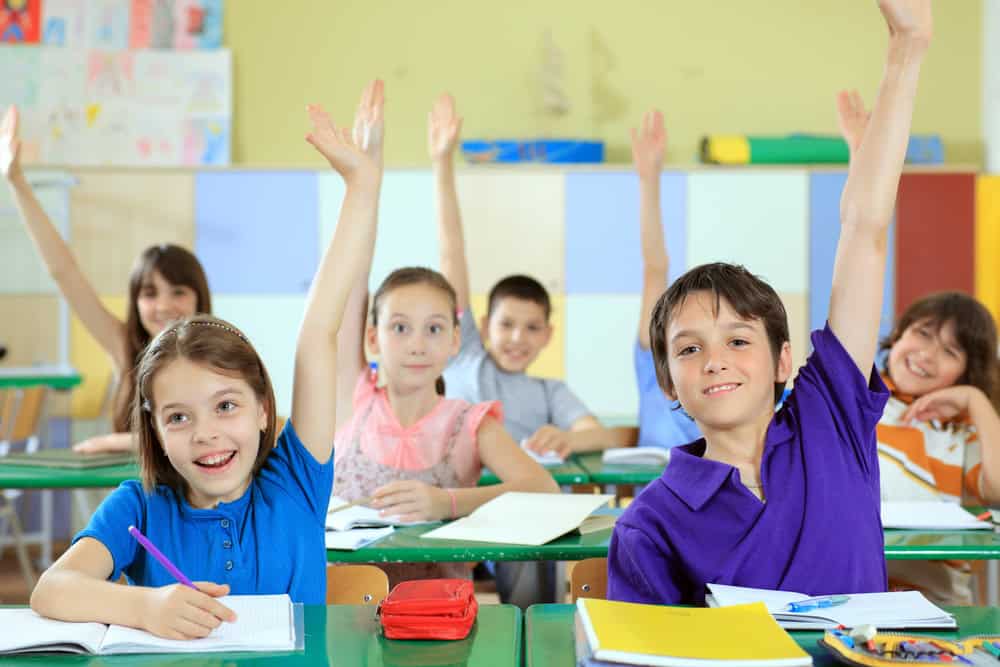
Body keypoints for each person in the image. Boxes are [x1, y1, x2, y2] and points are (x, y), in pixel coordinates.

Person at [29, 80, 384, 638]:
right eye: (178, 417)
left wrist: (362, 186)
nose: (206, 434)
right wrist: (144, 608)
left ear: (264, 408)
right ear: (154, 426)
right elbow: (51, 589)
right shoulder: (140, 506)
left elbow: (319, 328)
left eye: (225, 406)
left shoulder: (295, 480)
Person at [608, 0, 932, 605]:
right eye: (689, 348)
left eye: (738, 339)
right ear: (669, 384)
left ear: (784, 362)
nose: (715, 360)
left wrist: (905, 52)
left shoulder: (827, 417)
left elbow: (865, 230)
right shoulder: (646, 525)